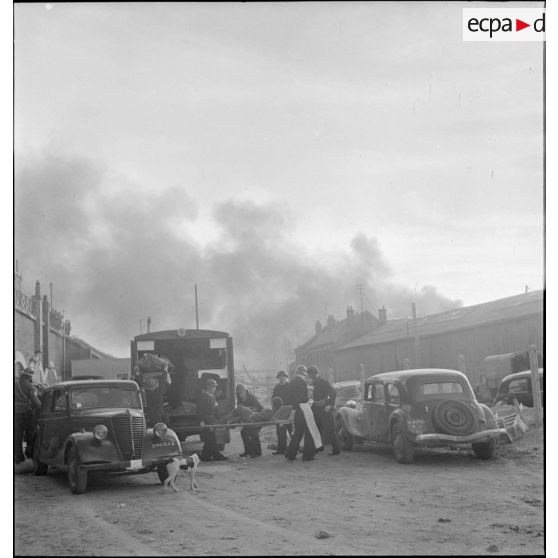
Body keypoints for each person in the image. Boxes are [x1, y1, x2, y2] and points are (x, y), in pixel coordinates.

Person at [285, 365, 320, 462]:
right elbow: (303, 398)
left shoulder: (291, 382)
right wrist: (309, 401)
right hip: (304, 408)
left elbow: (288, 398)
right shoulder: (302, 383)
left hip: (296, 410)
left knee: (298, 433)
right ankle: (307, 456)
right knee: (309, 432)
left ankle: (290, 454)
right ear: (304, 374)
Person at [306, 365, 340, 456]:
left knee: (330, 429)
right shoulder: (314, 383)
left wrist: (329, 405)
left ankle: (336, 449)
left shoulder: (323, 382)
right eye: (309, 375)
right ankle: (319, 447)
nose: (309, 376)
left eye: (310, 374)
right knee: (317, 429)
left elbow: (333, 392)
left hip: (325, 409)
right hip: (317, 409)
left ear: (316, 374)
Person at [14, 367, 41, 465]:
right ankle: (29, 453)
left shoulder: (14, 384)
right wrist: (41, 408)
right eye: (31, 376)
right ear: (28, 376)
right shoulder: (30, 387)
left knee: (17, 435)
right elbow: (35, 402)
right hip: (27, 412)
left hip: (15, 413)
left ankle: (18, 457)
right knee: (30, 433)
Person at [198, 378, 228, 462]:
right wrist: (201, 421)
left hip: (212, 421)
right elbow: (199, 410)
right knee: (211, 439)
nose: (214, 388)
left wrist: (219, 420)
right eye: (212, 387)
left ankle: (205, 456)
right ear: (208, 387)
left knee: (210, 439)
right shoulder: (203, 397)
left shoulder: (212, 396)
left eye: (215, 387)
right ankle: (216, 456)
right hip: (207, 422)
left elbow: (215, 408)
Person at [236, 384, 264, 458]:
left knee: (253, 432)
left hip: (258, 419)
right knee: (244, 432)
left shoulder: (252, 398)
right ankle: (248, 451)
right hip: (249, 421)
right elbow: (240, 412)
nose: (241, 395)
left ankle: (257, 452)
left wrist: (250, 410)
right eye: (239, 393)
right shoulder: (239, 402)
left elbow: (260, 409)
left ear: (246, 391)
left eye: (242, 392)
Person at [143, 361, 172, 427]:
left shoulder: (147, 392)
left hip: (151, 416)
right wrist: (165, 370)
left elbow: (163, 383)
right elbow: (163, 382)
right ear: (156, 386)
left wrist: (137, 373)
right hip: (158, 416)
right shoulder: (159, 392)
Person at [271, 370, 293, 455]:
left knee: (291, 430)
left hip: (288, 410)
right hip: (279, 412)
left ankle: (294, 448)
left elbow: (293, 398)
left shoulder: (290, 386)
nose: (282, 378)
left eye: (283, 376)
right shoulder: (276, 388)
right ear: (278, 378)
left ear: (286, 377)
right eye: (280, 377)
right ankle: (281, 449)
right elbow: (273, 399)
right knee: (280, 431)